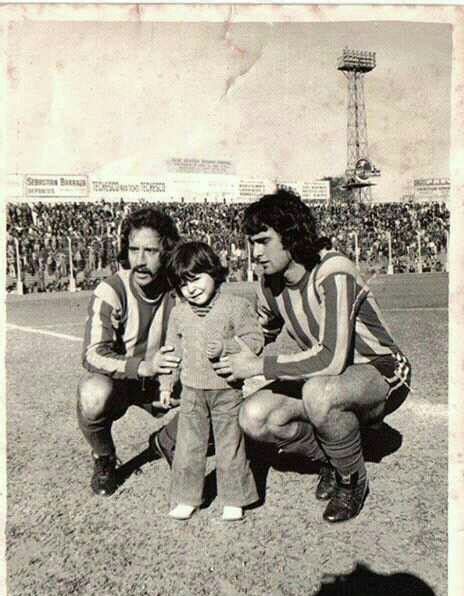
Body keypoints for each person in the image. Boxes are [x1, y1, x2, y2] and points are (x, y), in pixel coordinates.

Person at [213, 189, 412, 523]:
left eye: (263, 241)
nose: (255, 253)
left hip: (381, 369)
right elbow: (263, 333)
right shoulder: (269, 285)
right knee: (254, 416)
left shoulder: (332, 269)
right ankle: (331, 459)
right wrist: (234, 347)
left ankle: (352, 479)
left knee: (320, 392)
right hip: (326, 378)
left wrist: (256, 365)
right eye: (251, 243)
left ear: (290, 236)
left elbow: (332, 359)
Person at [77, 206, 183, 497]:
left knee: (224, 394)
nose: (140, 260)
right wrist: (143, 367)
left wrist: (172, 377)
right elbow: (92, 354)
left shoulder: (181, 289)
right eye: (134, 249)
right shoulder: (111, 290)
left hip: (168, 380)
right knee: (92, 393)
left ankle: (167, 441)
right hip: (124, 382)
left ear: (167, 250)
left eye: (150, 250)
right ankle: (104, 458)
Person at [159, 241, 262, 521]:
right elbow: (171, 352)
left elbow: (255, 340)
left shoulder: (235, 306)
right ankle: (186, 498)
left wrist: (227, 346)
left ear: (214, 272)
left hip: (227, 390)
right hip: (192, 391)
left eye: (196, 278)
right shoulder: (179, 313)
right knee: (189, 446)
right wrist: (166, 385)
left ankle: (234, 498)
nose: (191, 288)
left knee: (230, 445)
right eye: (183, 283)